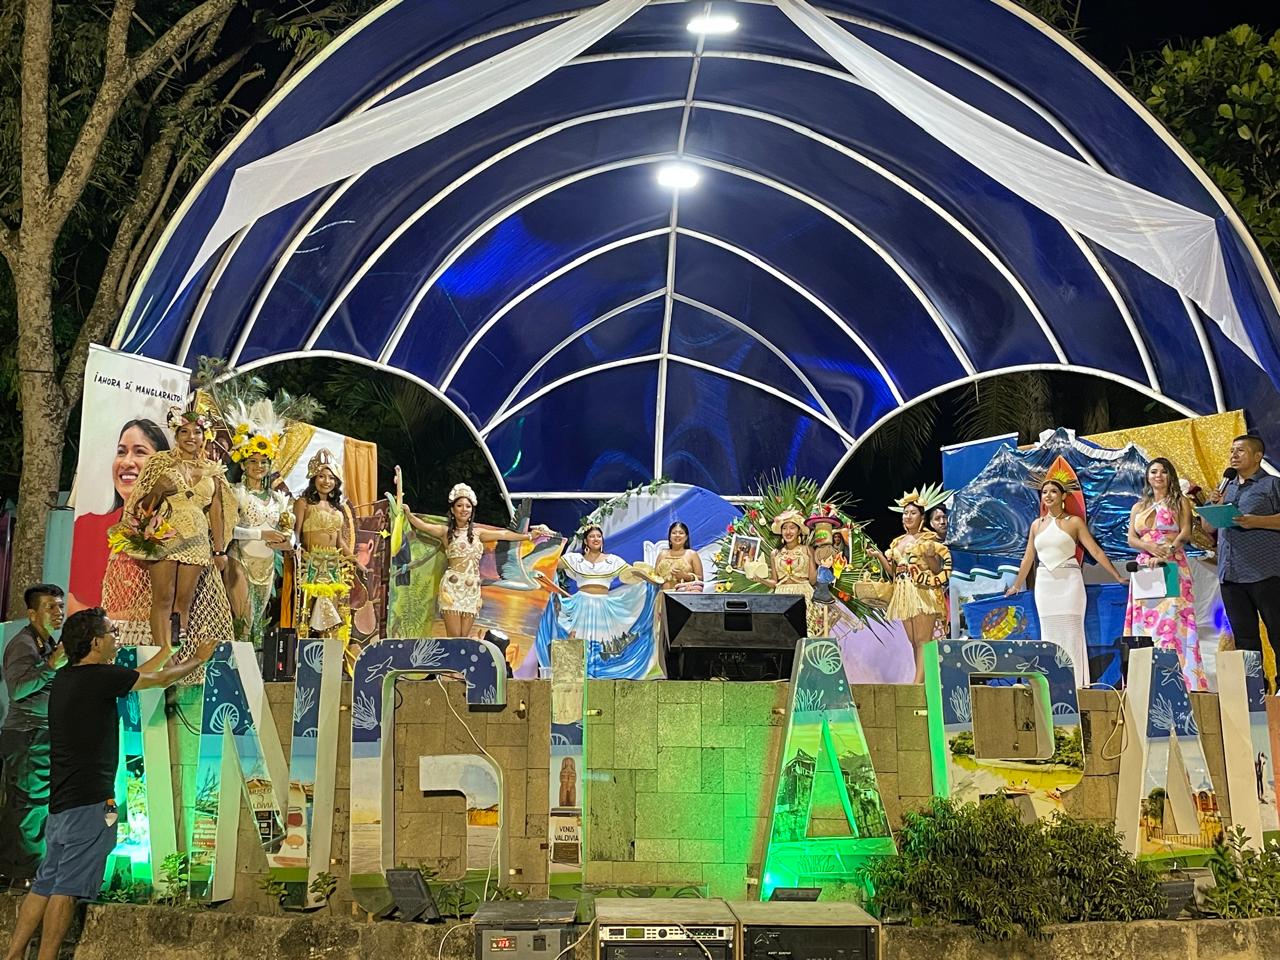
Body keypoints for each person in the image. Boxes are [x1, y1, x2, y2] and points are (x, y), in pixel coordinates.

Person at [2, 608, 213, 960]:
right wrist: (199, 659)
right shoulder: (99, 677)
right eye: (112, 633)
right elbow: (159, 680)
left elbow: (137, 676)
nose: (117, 638)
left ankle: (13, 954)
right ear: (96, 642)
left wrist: (167, 650)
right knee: (67, 889)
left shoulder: (68, 678)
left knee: (45, 884)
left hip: (62, 804)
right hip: (90, 803)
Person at [112, 405, 235, 658]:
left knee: (183, 603)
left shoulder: (213, 470)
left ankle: (175, 655)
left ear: (204, 436)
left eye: (197, 432)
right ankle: (161, 657)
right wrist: (159, 490)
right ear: (176, 435)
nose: (191, 437)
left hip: (197, 541)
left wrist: (219, 550)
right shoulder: (161, 463)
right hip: (164, 535)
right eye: (184, 432)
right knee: (163, 598)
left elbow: (217, 513)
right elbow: (142, 507)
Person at [398, 472, 552, 637]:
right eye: (460, 505)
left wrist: (529, 536)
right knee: (454, 637)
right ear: (452, 510)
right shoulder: (445, 532)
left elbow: (504, 534)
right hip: (452, 587)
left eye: (468, 506)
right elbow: (422, 525)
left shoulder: (479, 533)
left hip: (472, 589)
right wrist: (407, 511)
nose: (464, 509)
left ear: (472, 511)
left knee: (464, 638)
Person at [1007, 479, 1126, 690]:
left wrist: (1117, 576)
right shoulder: (1036, 525)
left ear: (1063, 496)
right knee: (1049, 632)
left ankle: (1076, 682)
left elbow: (1095, 551)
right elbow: (1028, 558)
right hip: (1045, 584)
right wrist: (1016, 585)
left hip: (1070, 583)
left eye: (1053, 491)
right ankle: (1053, 681)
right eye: (1045, 492)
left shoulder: (1074, 522)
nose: (1048, 495)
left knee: (1071, 632)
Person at [68, 419, 170, 614]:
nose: (126, 462)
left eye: (140, 452)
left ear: (162, 465)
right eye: (121, 452)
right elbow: (63, 602)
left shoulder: (173, 531)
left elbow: (169, 609)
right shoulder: (85, 527)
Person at [0, 586, 65, 884]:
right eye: (50, 607)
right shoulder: (23, 643)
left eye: (60, 606)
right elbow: (17, 689)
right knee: (28, 805)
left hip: (40, 733)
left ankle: (26, 871)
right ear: (32, 614)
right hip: (27, 734)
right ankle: (21, 875)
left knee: (36, 805)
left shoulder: (48, 642)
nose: (58, 612)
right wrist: (51, 666)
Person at [1124, 457, 1206, 691]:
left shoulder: (1179, 502)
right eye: (1153, 472)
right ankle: (1147, 680)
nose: (1158, 476)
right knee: (1145, 619)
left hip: (1170, 565)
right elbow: (1131, 538)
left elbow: (1185, 532)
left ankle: (1181, 679)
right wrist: (1148, 547)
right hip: (1145, 566)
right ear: (1147, 477)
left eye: (1163, 472)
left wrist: (1167, 551)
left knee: (1171, 618)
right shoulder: (1139, 506)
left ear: (1170, 476)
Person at [1204, 434, 1280, 687]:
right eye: (1231, 451)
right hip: (1230, 575)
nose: (1233, 455)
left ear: (1258, 456)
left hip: (1266, 573)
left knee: (1277, 632)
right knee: (1244, 638)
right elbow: (1208, 528)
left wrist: (1256, 521)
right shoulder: (1226, 487)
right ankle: (1255, 688)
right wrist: (1214, 505)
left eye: (1240, 451)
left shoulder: (1272, 485)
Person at [225, 403, 293, 652]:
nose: (258, 466)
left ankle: (254, 669)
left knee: (258, 627)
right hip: (239, 561)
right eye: (252, 461)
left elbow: (286, 532)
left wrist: (286, 538)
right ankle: (234, 670)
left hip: (267, 566)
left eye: (264, 461)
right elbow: (229, 530)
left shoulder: (278, 499)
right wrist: (260, 533)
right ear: (243, 464)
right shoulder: (236, 493)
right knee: (243, 623)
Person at [872, 489, 952, 685]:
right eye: (905, 513)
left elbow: (936, 569)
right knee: (914, 642)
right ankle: (923, 681)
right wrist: (879, 556)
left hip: (922, 591)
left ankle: (917, 683)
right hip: (903, 593)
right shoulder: (897, 542)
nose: (908, 516)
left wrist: (930, 556)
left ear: (922, 517)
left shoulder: (928, 538)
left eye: (913, 513)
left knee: (924, 640)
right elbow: (894, 573)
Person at [294, 450, 366, 662]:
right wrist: (297, 553)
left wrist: (357, 562)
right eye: (322, 476)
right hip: (310, 565)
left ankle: (330, 661)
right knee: (306, 615)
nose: (326, 481)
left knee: (332, 615)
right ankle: (304, 661)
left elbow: (339, 542)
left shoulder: (337, 510)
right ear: (313, 478)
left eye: (331, 478)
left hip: (333, 566)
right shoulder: (303, 503)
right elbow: (295, 534)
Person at [654, 521, 704, 591]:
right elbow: (654, 577)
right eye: (674, 533)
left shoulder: (692, 554)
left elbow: (700, 579)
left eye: (681, 533)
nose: (677, 535)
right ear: (669, 537)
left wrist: (685, 576)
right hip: (662, 595)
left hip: (684, 595)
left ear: (686, 537)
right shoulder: (662, 554)